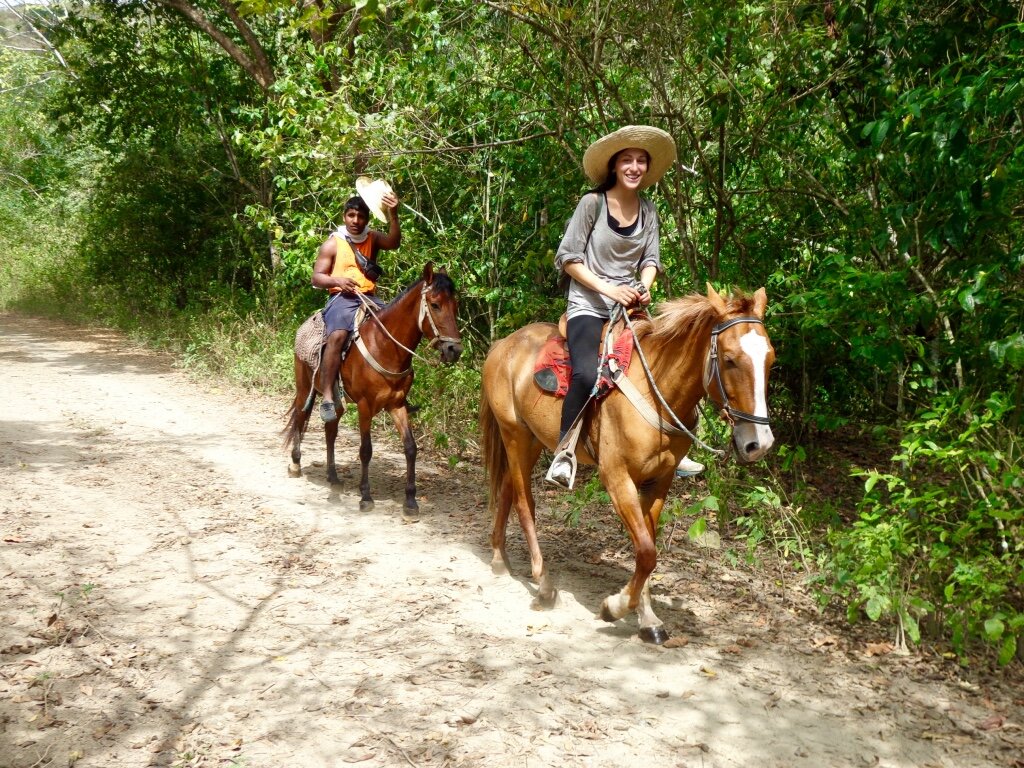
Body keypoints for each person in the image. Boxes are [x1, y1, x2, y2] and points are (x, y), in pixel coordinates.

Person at [546, 125, 704, 488]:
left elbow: (651, 260)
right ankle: (565, 452)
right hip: (588, 303)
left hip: (629, 307)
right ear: (614, 166)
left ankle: (677, 448)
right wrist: (610, 290)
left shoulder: (649, 211)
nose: (634, 167)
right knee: (587, 373)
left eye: (641, 161)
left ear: (647, 169)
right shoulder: (592, 204)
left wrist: (644, 288)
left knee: (674, 361)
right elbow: (568, 258)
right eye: (627, 160)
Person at [311, 190, 401, 423]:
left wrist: (393, 214)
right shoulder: (333, 243)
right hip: (341, 299)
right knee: (338, 335)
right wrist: (337, 281)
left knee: (395, 329)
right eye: (351, 215)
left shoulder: (373, 237)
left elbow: (394, 242)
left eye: (360, 216)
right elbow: (317, 278)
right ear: (344, 217)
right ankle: (329, 394)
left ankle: (398, 394)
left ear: (367, 219)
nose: (355, 221)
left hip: (369, 297)